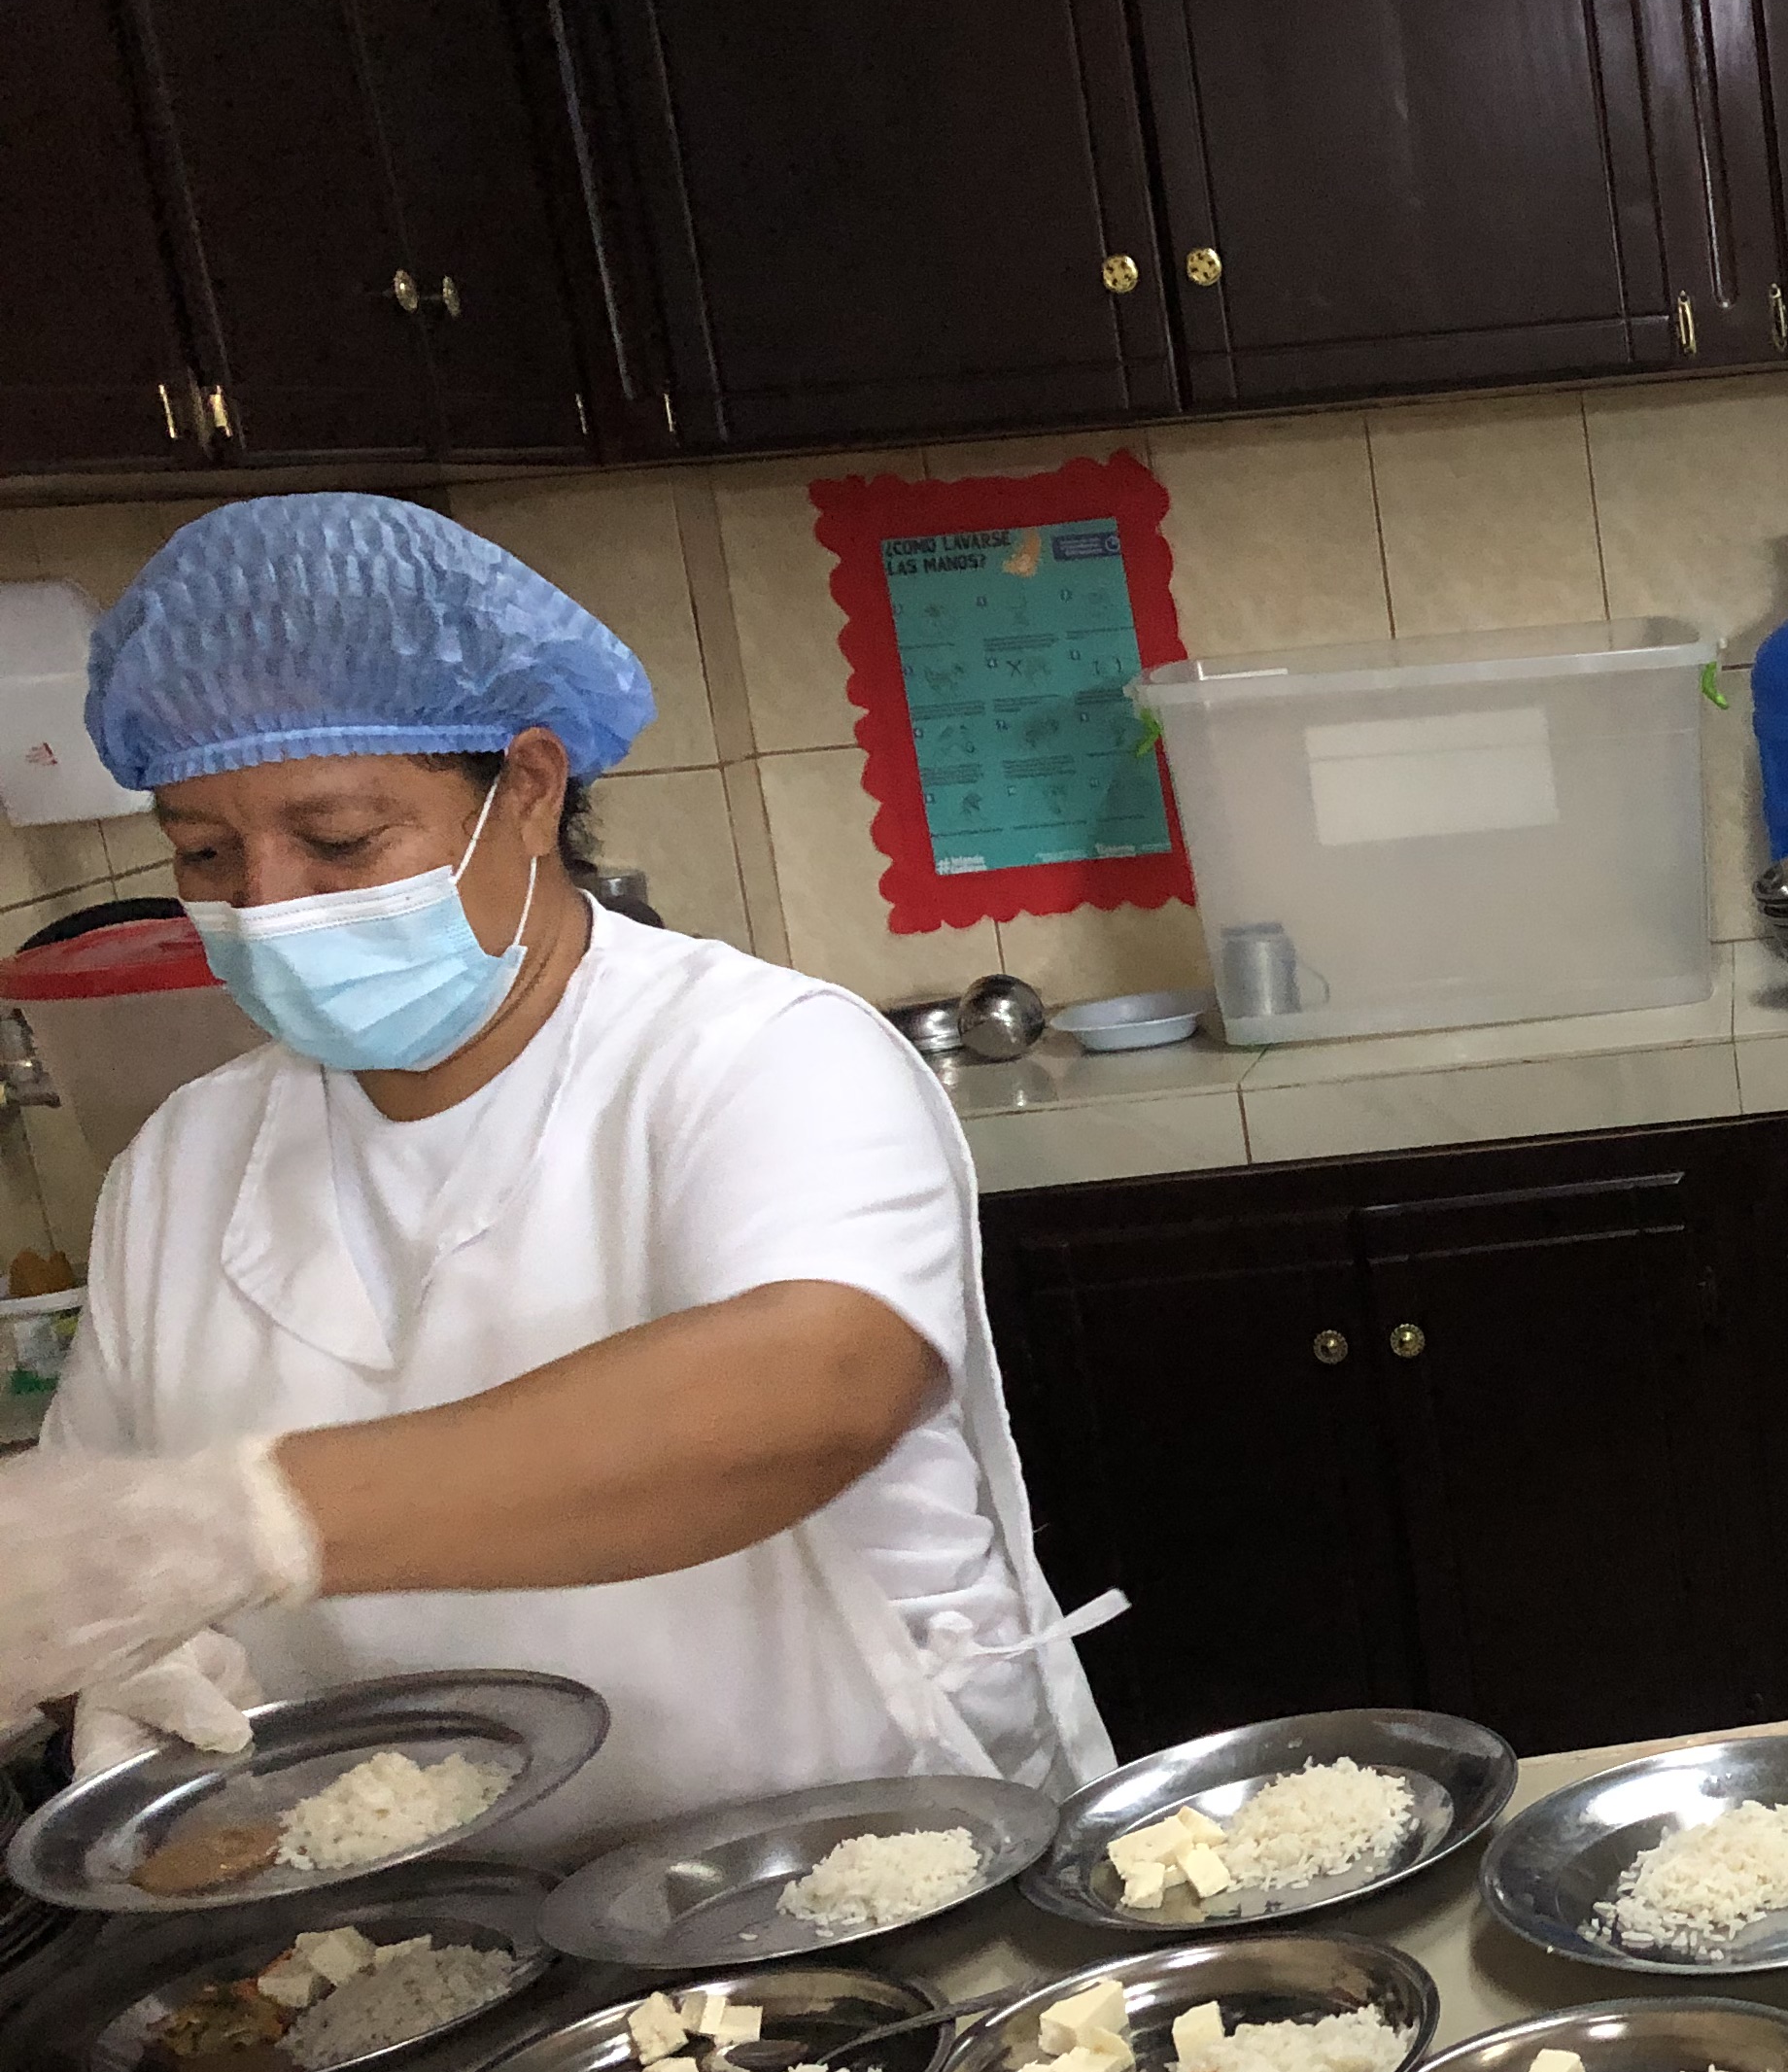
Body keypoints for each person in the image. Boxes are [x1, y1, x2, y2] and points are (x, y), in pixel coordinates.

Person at [0, 495, 1109, 1843]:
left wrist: (246, 1522)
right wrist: (124, 1655)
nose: (269, 903)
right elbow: (84, 1550)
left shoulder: (758, 1054)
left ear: (526, 789)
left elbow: (813, 1387)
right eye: (205, 853)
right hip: (424, 1918)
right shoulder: (181, 1164)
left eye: (339, 840)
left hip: (856, 1858)